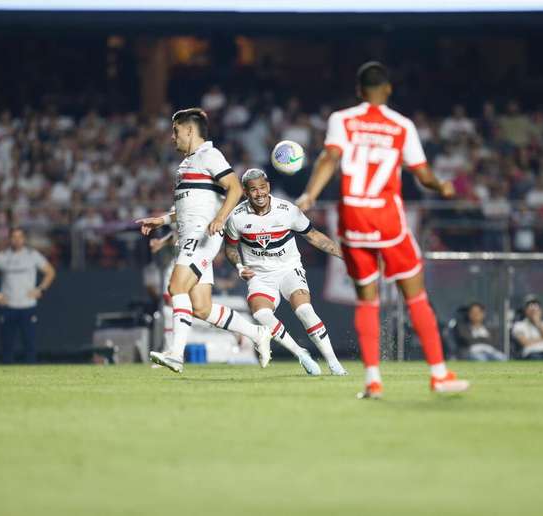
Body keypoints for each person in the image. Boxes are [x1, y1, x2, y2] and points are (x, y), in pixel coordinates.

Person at [296, 61, 469, 398]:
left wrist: (309, 195)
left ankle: (373, 380)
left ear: (359, 91)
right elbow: (423, 175)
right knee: (415, 294)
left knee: (367, 300)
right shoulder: (401, 125)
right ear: (388, 89)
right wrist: (443, 187)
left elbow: (329, 158)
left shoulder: (342, 120)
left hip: (353, 221)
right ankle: (438, 374)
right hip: (387, 220)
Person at [135, 107, 271, 374]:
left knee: (176, 288)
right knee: (201, 307)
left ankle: (175, 353)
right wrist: (161, 221)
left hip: (202, 235)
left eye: (175, 131)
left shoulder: (210, 154)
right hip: (189, 235)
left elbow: (234, 187)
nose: (172, 137)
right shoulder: (188, 163)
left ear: (188, 130)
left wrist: (220, 217)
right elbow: (190, 206)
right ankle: (257, 333)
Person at [224, 168, 347, 376]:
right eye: (253, 190)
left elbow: (314, 236)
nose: (259, 193)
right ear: (245, 192)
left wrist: (345, 255)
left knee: (304, 311)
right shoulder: (236, 217)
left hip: (289, 269)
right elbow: (229, 248)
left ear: (269, 187)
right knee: (261, 314)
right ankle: (301, 354)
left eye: (262, 187)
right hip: (260, 276)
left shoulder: (287, 210)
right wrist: (239, 266)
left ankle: (334, 363)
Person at [0, 227, 56, 363]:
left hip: (27, 306)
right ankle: (7, 377)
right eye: (14, 237)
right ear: (10, 239)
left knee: (30, 344)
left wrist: (41, 289)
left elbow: (50, 271)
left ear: (24, 239)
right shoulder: (3, 256)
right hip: (8, 306)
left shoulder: (32, 255)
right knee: (7, 346)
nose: (17, 240)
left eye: (19, 237)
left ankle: (30, 378)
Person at [511, 295, 543, 360]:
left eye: (536, 306)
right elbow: (525, 342)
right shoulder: (519, 325)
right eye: (530, 307)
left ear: (541, 310)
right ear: (525, 311)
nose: (533, 310)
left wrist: (537, 322)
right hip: (532, 354)